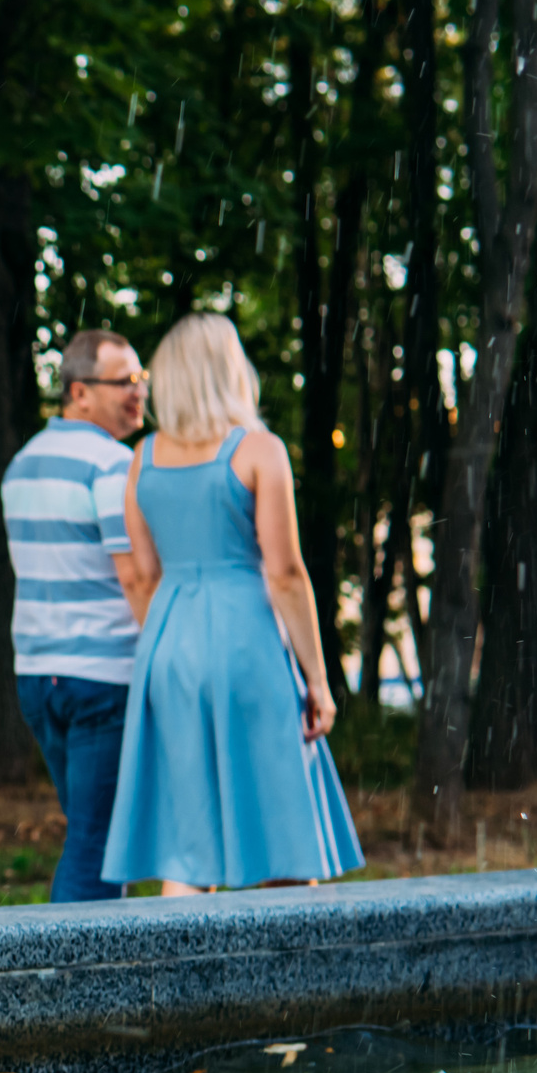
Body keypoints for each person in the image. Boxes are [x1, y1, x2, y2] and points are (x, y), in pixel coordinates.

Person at [100, 313, 364, 894]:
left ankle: (179, 982)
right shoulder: (258, 450)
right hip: (248, 643)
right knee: (283, 832)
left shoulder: (142, 458)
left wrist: (174, 635)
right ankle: (288, 980)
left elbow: (143, 576)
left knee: (187, 844)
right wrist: (318, 680)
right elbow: (286, 572)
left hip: (169, 646)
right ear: (230, 371)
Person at [2, 329, 151, 903]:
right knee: (98, 844)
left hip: (39, 678)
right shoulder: (114, 465)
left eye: (140, 380)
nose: (137, 394)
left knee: (88, 834)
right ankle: (74, 985)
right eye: (123, 382)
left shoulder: (21, 465)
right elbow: (133, 576)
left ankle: (81, 975)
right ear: (79, 392)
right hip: (101, 679)